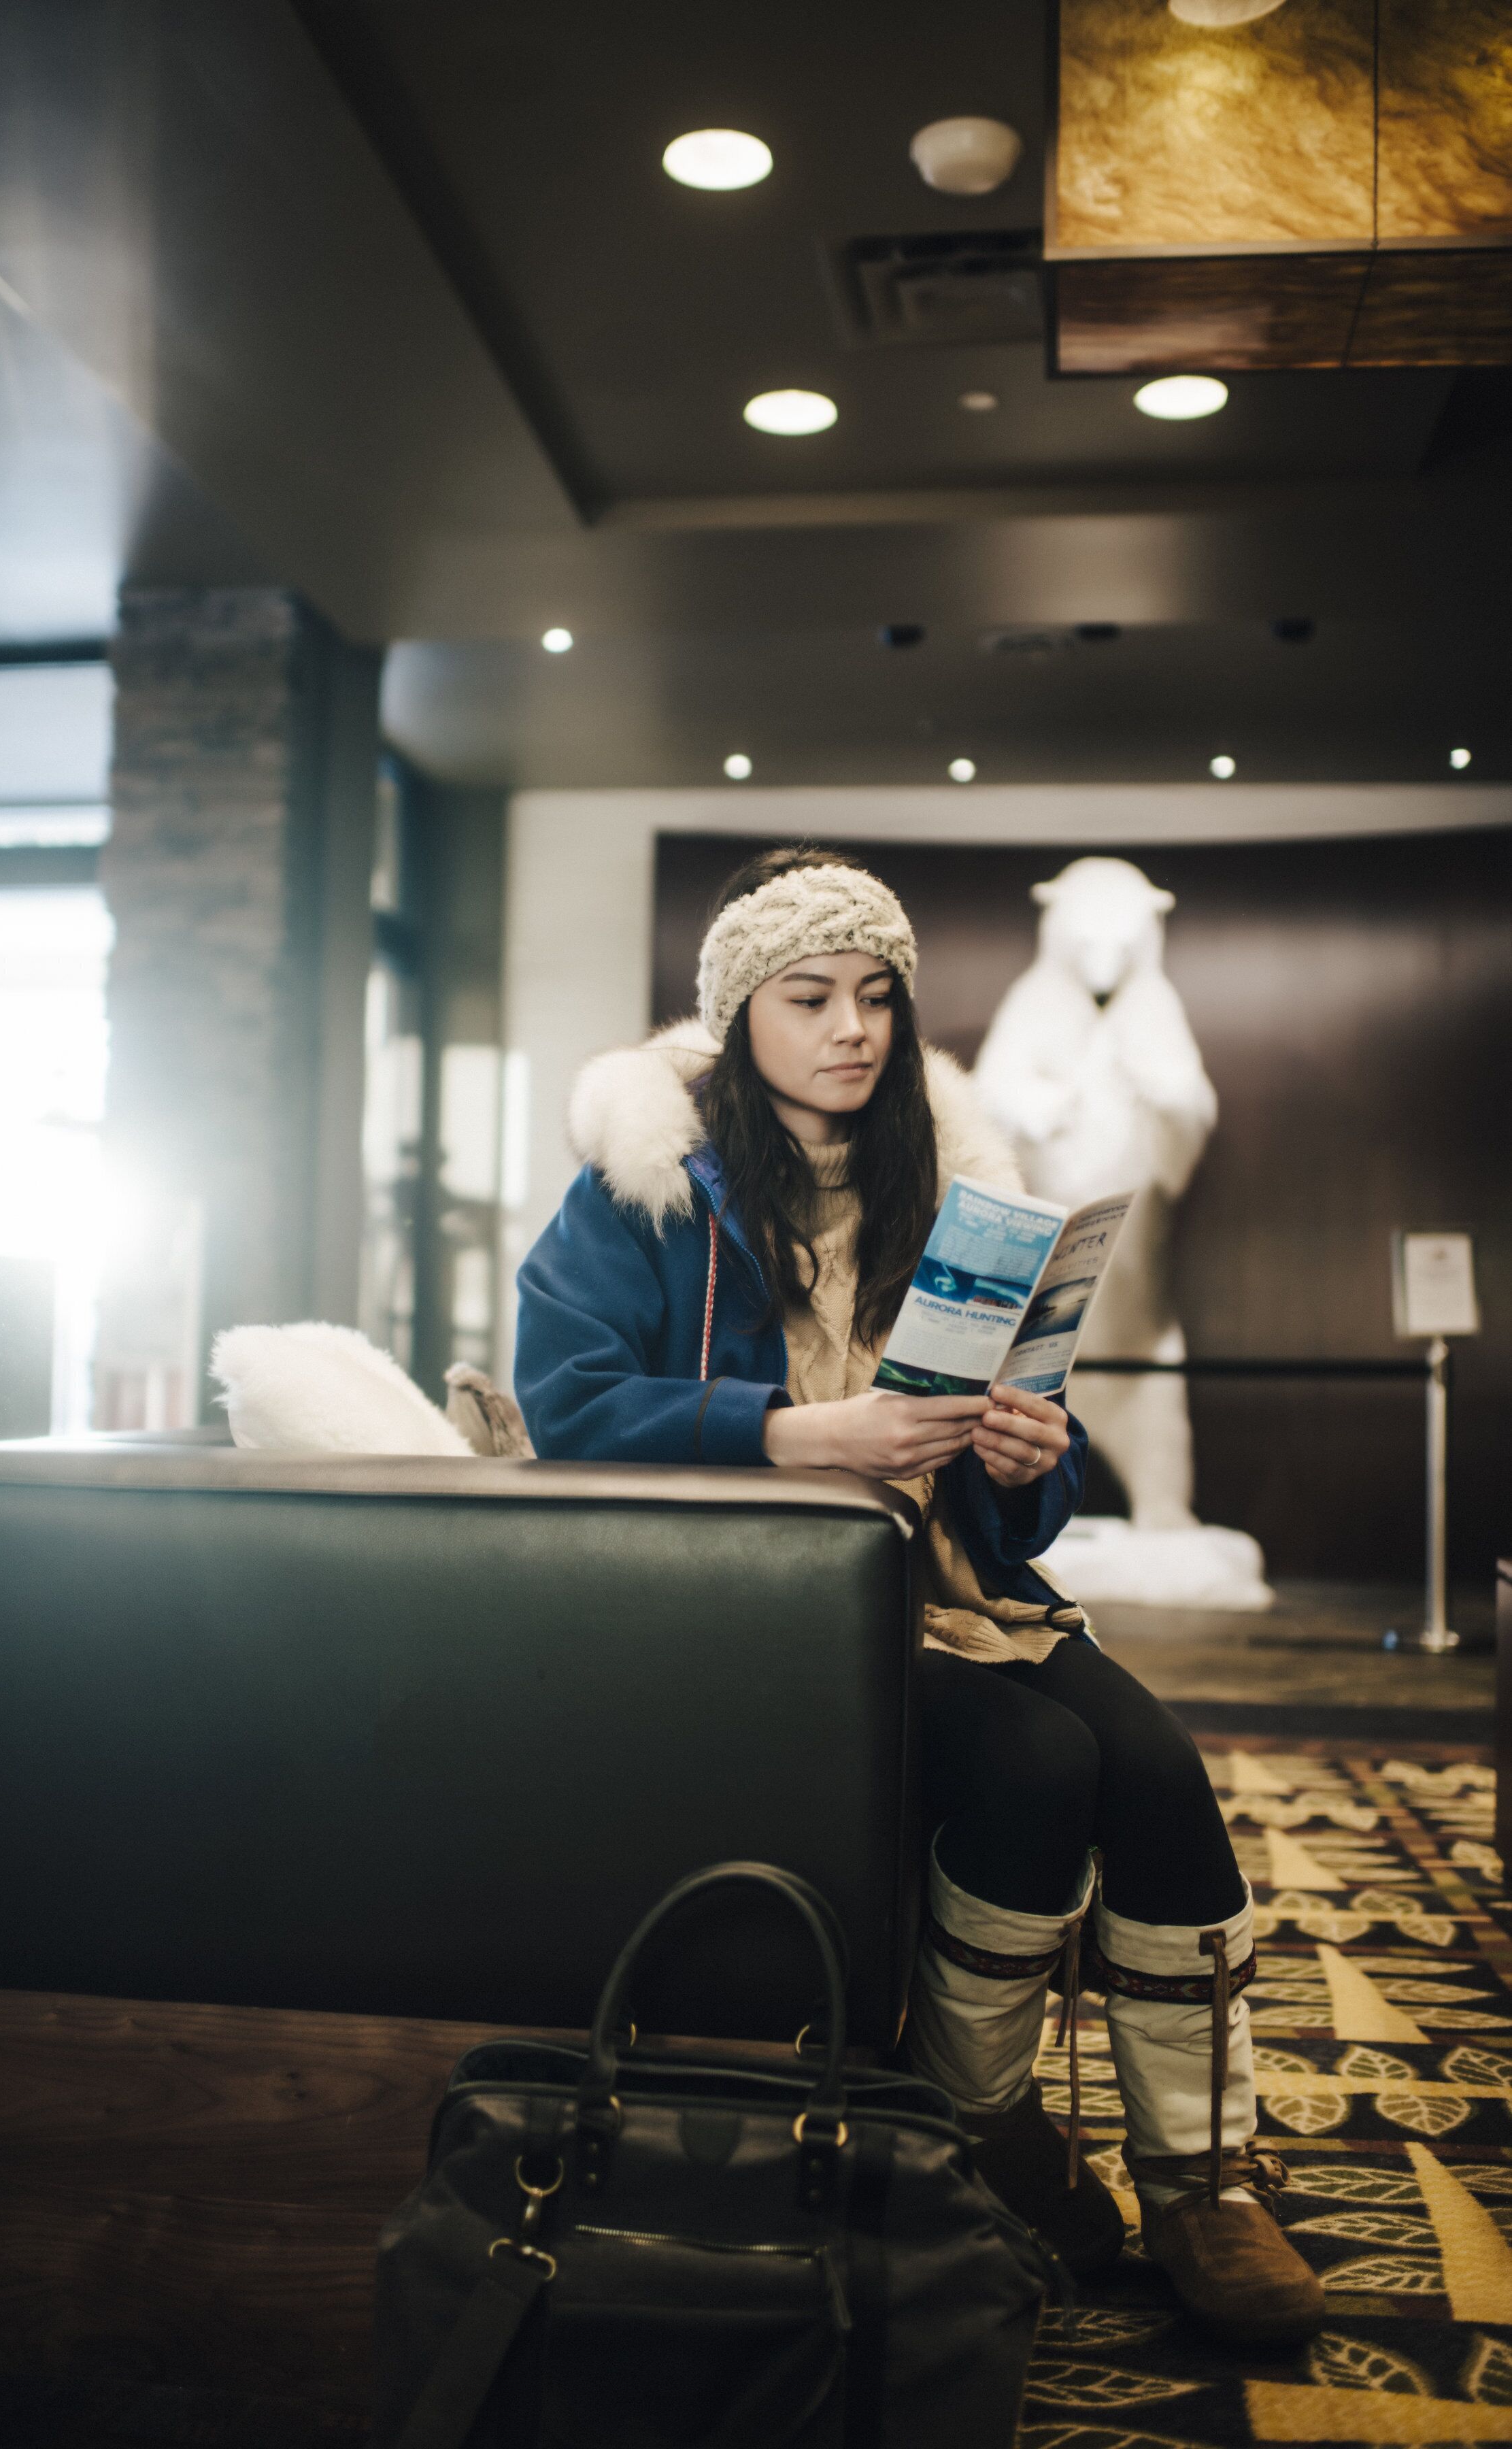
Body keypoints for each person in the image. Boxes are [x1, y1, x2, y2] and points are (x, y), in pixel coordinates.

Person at [515, 847, 1323, 2346]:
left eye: (876, 996)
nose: (853, 1029)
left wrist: (1027, 1447)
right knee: (1034, 1763)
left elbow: (1028, 1485)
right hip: (769, 1607)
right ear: (737, 1015)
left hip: (950, 1579)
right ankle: (977, 2127)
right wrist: (791, 1430)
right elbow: (564, 1402)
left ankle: (1202, 2176)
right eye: (811, 996)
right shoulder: (638, 1188)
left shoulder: (952, 1184)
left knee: (1154, 1769)